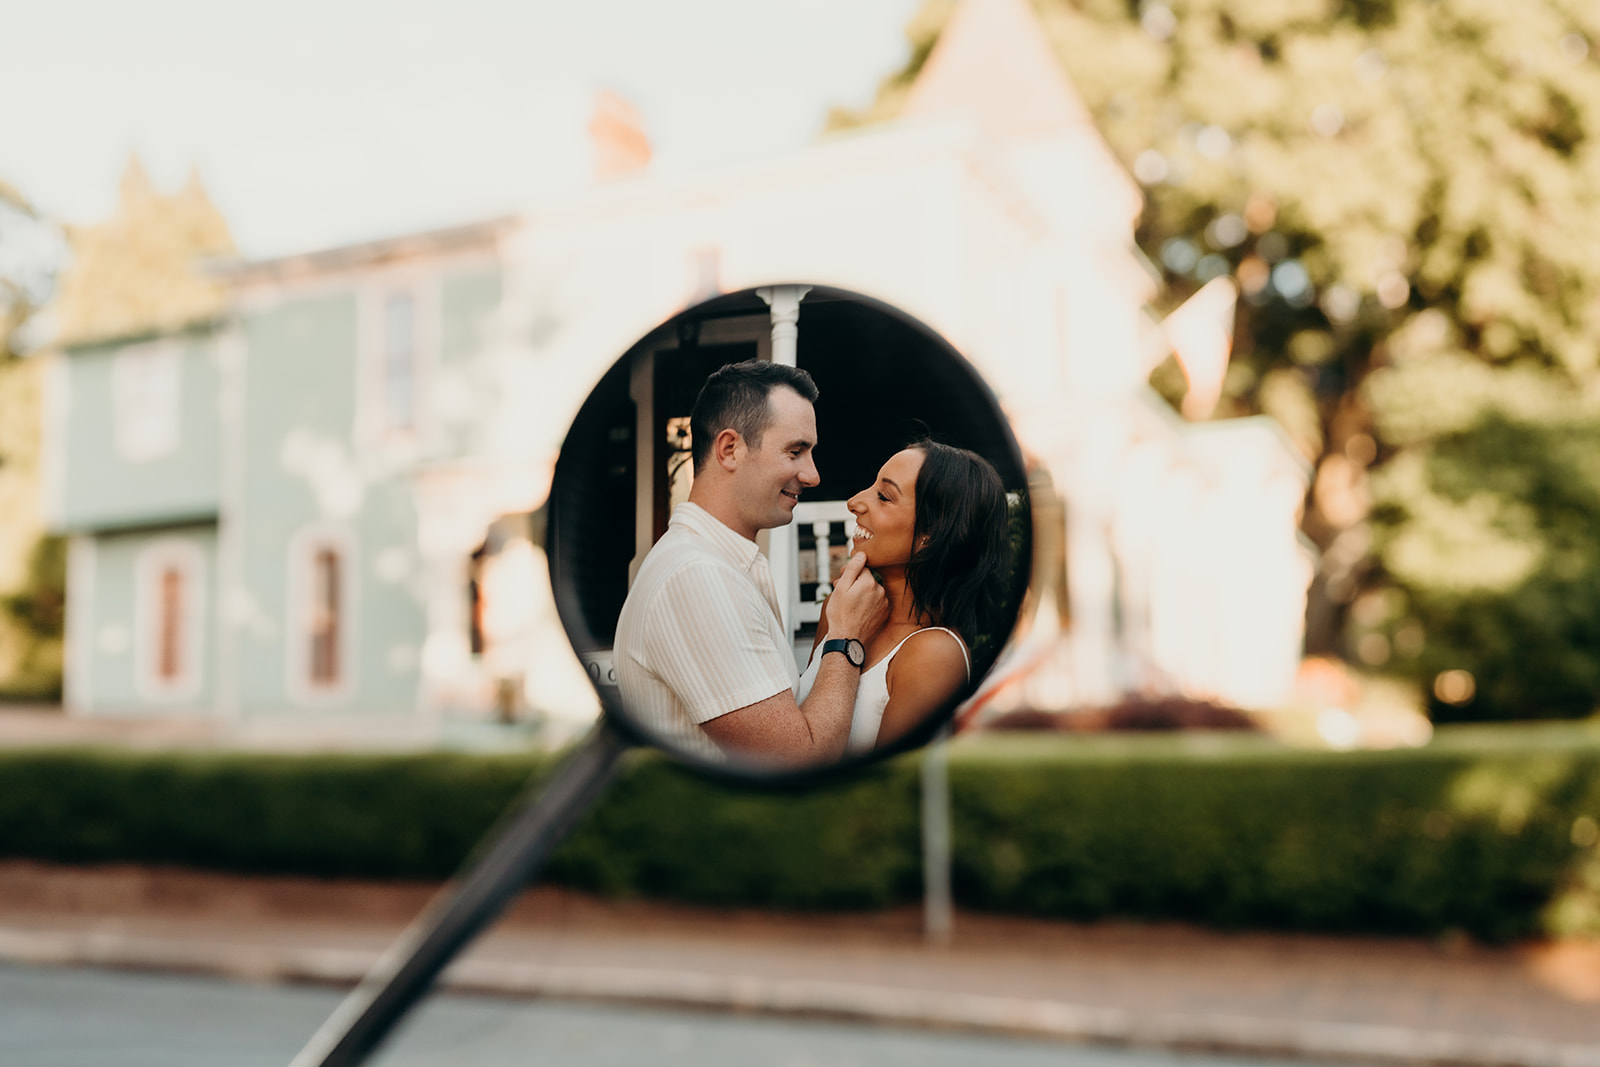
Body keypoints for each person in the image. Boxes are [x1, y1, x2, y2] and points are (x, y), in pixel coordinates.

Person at [614, 360, 889, 768]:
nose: (812, 474)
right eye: (796, 451)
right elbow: (799, 763)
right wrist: (847, 637)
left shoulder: (723, 564)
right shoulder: (698, 577)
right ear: (730, 449)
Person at [797, 440, 1011, 753]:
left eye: (883, 496)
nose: (854, 502)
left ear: (931, 535)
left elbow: (888, 788)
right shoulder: (839, 607)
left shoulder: (934, 655)